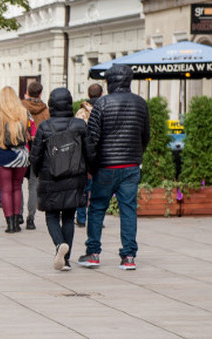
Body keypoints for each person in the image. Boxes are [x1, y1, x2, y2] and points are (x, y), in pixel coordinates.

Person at [80, 63, 149, 270]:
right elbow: (145, 136)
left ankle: (93, 253)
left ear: (109, 82)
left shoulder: (102, 104)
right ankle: (128, 256)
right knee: (128, 209)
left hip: (105, 166)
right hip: (130, 165)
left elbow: (92, 139)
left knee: (97, 208)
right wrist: (137, 156)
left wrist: (92, 167)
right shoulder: (140, 103)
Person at [29, 87, 91, 271]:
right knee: (70, 217)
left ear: (52, 104)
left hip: (51, 176)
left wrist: (37, 172)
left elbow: (36, 154)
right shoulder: (80, 125)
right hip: (74, 176)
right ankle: (67, 259)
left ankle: (59, 245)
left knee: (52, 215)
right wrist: (89, 170)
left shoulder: (45, 126)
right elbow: (89, 151)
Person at [0, 86, 32, 233]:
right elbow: (30, 132)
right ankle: (17, 220)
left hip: (3, 154)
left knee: (5, 190)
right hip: (21, 155)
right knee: (17, 187)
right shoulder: (24, 113)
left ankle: (10, 224)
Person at [21, 81, 50, 229]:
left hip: (22, 148)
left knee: (17, 183)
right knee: (33, 185)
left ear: (27, 92)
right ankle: (30, 218)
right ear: (40, 93)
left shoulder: (21, 107)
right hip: (38, 151)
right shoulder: (45, 110)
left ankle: (18, 214)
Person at [74, 83, 103, 228]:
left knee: (83, 187)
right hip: (102, 155)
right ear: (101, 94)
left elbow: (76, 136)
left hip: (83, 155)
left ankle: (81, 217)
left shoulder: (80, 113)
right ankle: (97, 218)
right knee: (99, 188)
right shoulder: (105, 109)